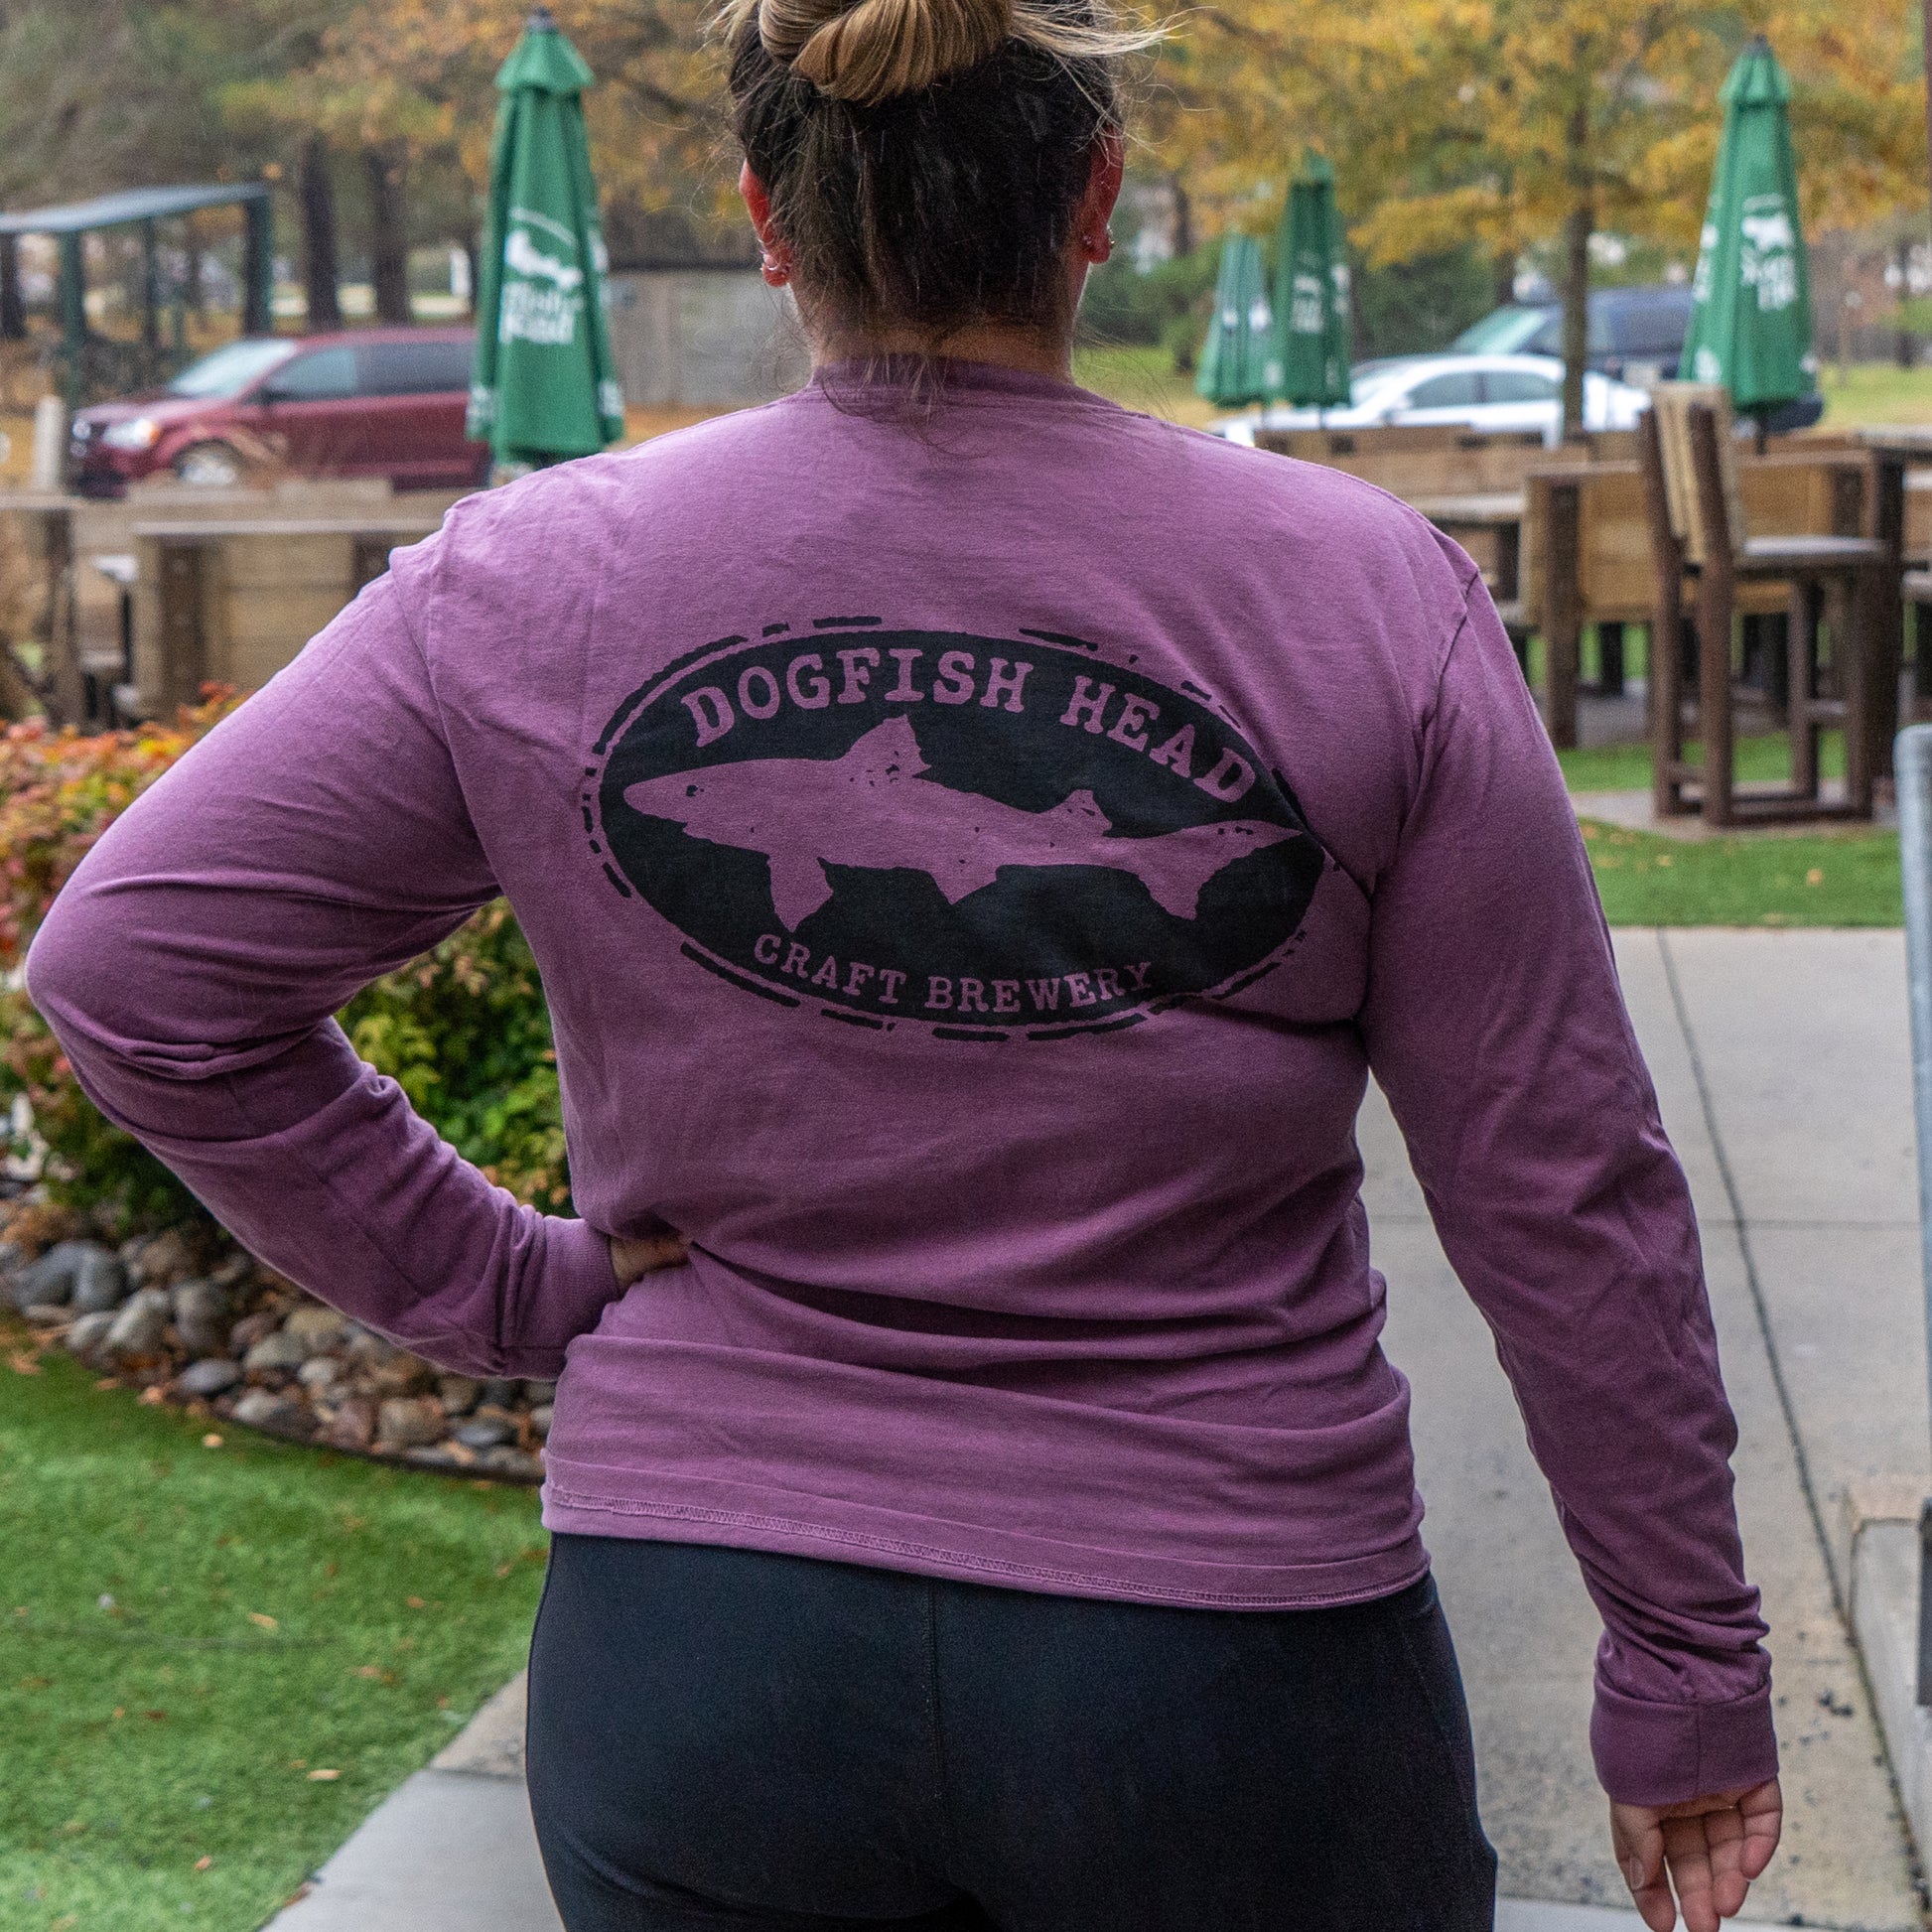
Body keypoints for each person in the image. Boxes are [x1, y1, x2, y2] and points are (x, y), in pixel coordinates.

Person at [26, 0, 1782, 1923]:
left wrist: (512, 1289)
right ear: (1096, 201)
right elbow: (1561, 1185)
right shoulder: (1369, 600)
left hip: (701, 1669)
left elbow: (133, 973)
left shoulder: (531, 583)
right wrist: (1681, 1660)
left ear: (770, 223)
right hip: (1227, 1672)